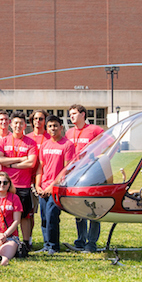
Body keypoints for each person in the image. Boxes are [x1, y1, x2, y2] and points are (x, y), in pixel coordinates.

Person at [0, 112, 38, 257]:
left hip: (24, 185)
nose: (18, 126)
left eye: (21, 123)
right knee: (6, 213)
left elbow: (31, 162)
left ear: (25, 125)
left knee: (25, 216)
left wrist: (11, 163)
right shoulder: (3, 141)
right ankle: (6, 239)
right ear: (11, 125)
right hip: (7, 185)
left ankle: (26, 243)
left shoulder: (30, 142)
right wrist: (20, 160)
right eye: (15, 123)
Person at [35, 114, 77, 255]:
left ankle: (54, 246)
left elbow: (66, 170)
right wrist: (37, 185)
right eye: (50, 126)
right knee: (44, 217)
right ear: (47, 129)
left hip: (57, 188)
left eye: (55, 126)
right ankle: (46, 244)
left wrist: (51, 187)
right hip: (43, 187)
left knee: (52, 215)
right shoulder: (45, 145)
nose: (53, 128)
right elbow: (41, 167)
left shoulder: (67, 145)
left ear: (61, 128)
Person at [66, 103, 105, 252]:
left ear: (83, 114)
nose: (71, 117)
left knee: (93, 208)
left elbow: (110, 146)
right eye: (70, 114)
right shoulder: (69, 133)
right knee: (79, 209)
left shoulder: (95, 130)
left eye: (74, 113)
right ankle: (80, 240)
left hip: (92, 174)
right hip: (76, 175)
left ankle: (92, 242)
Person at [0, 170, 23, 264]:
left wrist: (5, 235)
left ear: (9, 184)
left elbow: (16, 221)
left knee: (3, 255)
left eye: (5, 182)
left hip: (10, 236)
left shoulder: (14, 198)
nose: (2, 185)